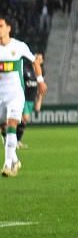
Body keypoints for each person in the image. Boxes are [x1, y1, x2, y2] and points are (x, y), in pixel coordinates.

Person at [0, 15, 42, 177]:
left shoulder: (19, 46)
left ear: (9, 28)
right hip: (1, 95)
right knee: (4, 128)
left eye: (1, 26)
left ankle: (7, 166)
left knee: (11, 123)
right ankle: (15, 161)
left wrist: (40, 80)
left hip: (16, 94)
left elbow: (34, 61)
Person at [17, 52, 46, 149]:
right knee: (24, 118)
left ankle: (17, 141)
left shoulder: (41, 72)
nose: (37, 59)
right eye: (36, 57)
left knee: (24, 121)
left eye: (39, 58)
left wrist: (39, 101)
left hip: (31, 99)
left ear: (42, 61)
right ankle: (13, 140)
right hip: (23, 98)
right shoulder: (25, 68)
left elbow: (41, 89)